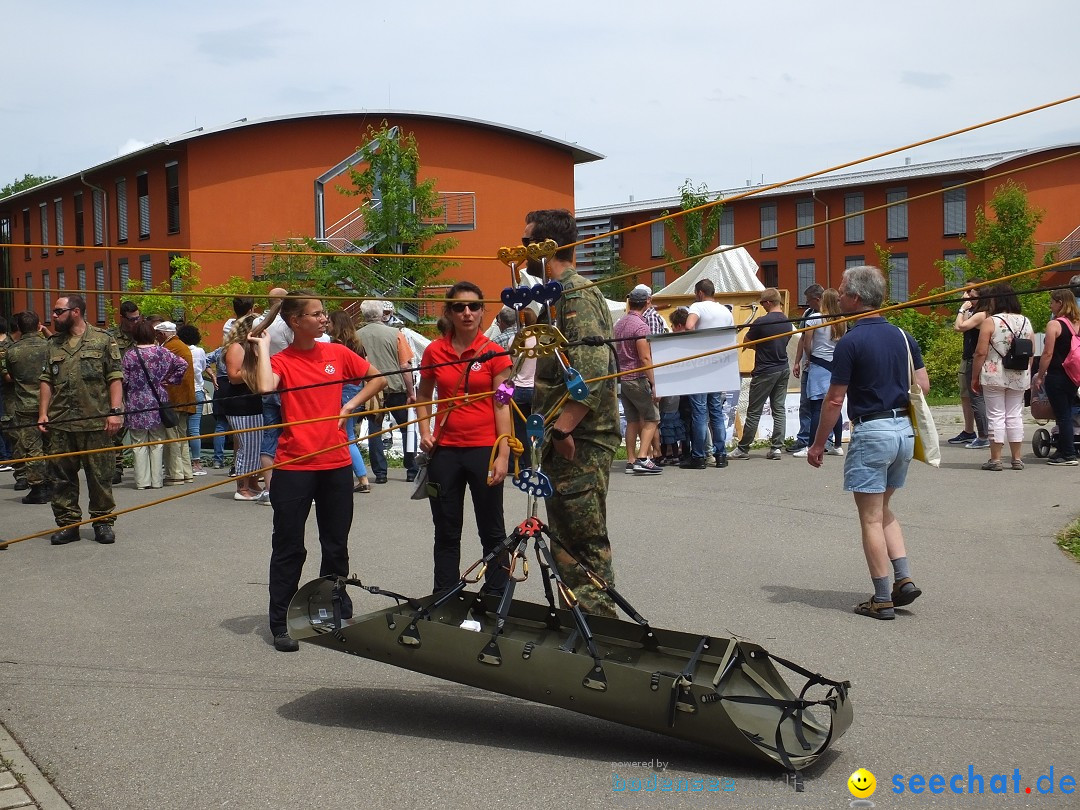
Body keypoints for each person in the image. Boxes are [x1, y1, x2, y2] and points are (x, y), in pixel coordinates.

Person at [251, 290, 386, 652]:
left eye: (323, 313)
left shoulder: (338, 353)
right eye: (316, 313)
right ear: (296, 321)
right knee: (289, 547)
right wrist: (262, 348)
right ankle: (280, 623)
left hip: (335, 464)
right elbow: (265, 387)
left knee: (336, 545)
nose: (324, 318)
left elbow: (378, 379)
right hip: (294, 465)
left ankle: (334, 611)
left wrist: (351, 405)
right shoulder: (282, 360)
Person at [806, 265, 926, 620]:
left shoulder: (851, 342)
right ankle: (904, 579)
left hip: (873, 432)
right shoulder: (904, 336)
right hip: (903, 431)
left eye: (842, 292)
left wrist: (817, 444)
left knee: (870, 518)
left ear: (856, 298)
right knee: (884, 509)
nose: (838, 296)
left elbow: (833, 400)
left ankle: (881, 597)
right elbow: (924, 386)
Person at [527, 208, 621, 617]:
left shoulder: (575, 294)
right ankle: (578, 623)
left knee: (583, 540)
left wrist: (564, 431)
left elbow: (591, 370)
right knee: (565, 539)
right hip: (562, 439)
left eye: (528, 241)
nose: (522, 250)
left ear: (547, 246)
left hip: (580, 441)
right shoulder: (554, 295)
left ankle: (600, 628)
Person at [416, 282, 513, 596]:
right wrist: (424, 432)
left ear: (483, 311)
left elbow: (503, 402)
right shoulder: (434, 350)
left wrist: (503, 453)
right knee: (446, 530)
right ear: (449, 311)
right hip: (445, 453)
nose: (467, 313)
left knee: (493, 531)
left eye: (473, 307)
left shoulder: (496, 353)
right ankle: (445, 596)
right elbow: (422, 396)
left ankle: (496, 596)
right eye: (459, 307)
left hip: (484, 450)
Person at [38, 294, 125, 545]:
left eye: (58, 311)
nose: (53, 316)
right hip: (61, 422)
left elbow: (115, 378)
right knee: (61, 477)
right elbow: (46, 381)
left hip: (95, 421)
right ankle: (69, 524)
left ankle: (103, 522)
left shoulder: (103, 340)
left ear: (75, 312)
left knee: (100, 476)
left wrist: (115, 411)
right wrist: (43, 412)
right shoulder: (53, 344)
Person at [970, 284, 1033, 471]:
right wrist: (1026, 370)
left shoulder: (991, 321)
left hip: (994, 373)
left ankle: (996, 459)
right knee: (1014, 415)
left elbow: (980, 352)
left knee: (996, 415)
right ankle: (1016, 458)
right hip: (1019, 373)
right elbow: (1031, 351)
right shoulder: (1025, 321)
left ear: (996, 300)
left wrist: (975, 376)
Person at [122, 319, 188, 489]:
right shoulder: (162, 352)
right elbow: (183, 364)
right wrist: (170, 380)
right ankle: (157, 481)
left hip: (136, 401)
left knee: (138, 443)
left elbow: (124, 379)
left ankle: (142, 482)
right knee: (157, 441)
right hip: (158, 400)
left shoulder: (130, 355)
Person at [358, 299, 417, 484]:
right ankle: (411, 468)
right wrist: (411, 392)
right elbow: (404, 365)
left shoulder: (356, 336)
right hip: (395, 387)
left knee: (375, 430)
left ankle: (380, 472)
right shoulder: (395, 334)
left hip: (371, 389)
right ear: (382, 313)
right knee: (407, 428)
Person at [731, 288, 792, 460]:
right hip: (783, 367)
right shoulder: (787, 321)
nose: (762, 306)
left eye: (762, 303)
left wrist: (761, 346)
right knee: (779, 409)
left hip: (765, 370)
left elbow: (747, 342)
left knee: (754, 410)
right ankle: (777, 448)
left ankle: (743, 449)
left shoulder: (762, 322)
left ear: (768, 302)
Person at [682, 279, 734, 469]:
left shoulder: (697, 306)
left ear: (700, 293)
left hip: (701, 364)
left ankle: (699, 456)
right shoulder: (725, 311)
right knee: (717, 412)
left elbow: (689, 326)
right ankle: (721, 455)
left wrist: (696, 345)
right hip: (719, 365)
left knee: (699, 412)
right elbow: (731, 334)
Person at [0, 311, 52, 503]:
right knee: (51, 446)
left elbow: (9, 377)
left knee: (32, 448)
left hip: (25, 406)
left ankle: (38, 487)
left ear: (19, 328)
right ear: (38, 325)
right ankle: (53, 483)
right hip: (51, 405)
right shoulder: (49, 347)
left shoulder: (12, 351)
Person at [791, 288, 846, 458]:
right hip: (834, 364)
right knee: (834, 404)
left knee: (816, 406)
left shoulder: (815, 319)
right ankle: (837, 444)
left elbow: (807, 342)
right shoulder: (842, 320)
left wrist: (808, 357)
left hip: (818, 364)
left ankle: (811, 445)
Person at [614, 286, 662, 475]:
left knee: (632, 420)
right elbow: (645, 358)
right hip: (637, 377)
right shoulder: (641, 326)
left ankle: (631, 459)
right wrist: (654, 383)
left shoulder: (619, 323)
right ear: (647, 302)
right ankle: (643, 458)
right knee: (652, 417)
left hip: (622, 378)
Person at [222, 314, 267, 501]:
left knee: (256, 446)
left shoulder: (252, 347)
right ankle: (242, 487)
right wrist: (259, 368)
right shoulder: (236, 347)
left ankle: (253, 483)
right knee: (247, 446)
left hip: (254, 402)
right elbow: (234, 375)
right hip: (241, 403)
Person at [1033, 288, 1080, 466]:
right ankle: (1062, 448)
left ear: (1060, 303)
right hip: (1073, 375)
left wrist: (1040, 375)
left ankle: (1068, 454)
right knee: (1066, 411)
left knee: (1062, 415)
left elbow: (1047, 353)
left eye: (1052, 302)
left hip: (1057, 374)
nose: (1050, 305)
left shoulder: (1055, 324)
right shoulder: (1077, 323)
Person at [327, 310, 371, 493]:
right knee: (348, 435)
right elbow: (366, 365)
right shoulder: (357, 343)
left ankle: (362, 478)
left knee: (347, 438)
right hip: (357, 389)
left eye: (329, 321)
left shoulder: (335, 345)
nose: (326, 324)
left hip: (342, 389)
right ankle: (360, 477)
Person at [492, 306, 538, 466]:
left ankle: (522, 462)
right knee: (536, 426)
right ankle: (537, 461)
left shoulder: (515, 340)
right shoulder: (540, 340)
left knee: (518, 429)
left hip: (516, 387)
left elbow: (510, 365)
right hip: (535, 388)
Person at [950, 281, 991, 450]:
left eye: (970, 292)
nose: (967, 296)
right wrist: (966, 309)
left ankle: (984, 435)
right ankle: (969, 431)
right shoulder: (974, 312)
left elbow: (959, 326)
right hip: (967, 357)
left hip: (975, 360)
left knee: (977, 398)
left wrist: (961, 308)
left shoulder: (983, 313)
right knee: (966, 396)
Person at [156, 321, 195, 485]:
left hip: (174, 399)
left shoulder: (170, 347)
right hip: (185, 399)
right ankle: (186, 472)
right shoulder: (180, 345)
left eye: (157, 333)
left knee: (172, 437)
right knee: (182, 437)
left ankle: (175, 474)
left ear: (163, 334)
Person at [107, 300, 141, 484]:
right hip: (118, 389)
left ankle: (143, 469)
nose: (135, 322)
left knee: (139, 431)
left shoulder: (143, 335)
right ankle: (116, 467)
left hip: (138, 390)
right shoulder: (109, 337)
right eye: (131, 319)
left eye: (138, 318)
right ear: (122, 318)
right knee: (116, 430)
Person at [789, 284, 824, 454]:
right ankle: (804, 438)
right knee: (805, 403)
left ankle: (826, 439)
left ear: (816, 299)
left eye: (809, 300)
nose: (807, 303)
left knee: (823, 404)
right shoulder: (808, 314)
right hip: (809, 365)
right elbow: (803, 339)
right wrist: (797, 361)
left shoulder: (834, 312)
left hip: (824, 365)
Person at [178, 324, 209, 476]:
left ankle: (180, 462)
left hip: (182, 393)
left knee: (180, 428)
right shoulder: (199, 351)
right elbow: (203, 368)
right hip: (197, 390)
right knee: (195, 429)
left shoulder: (177, 350)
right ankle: (196, 463)